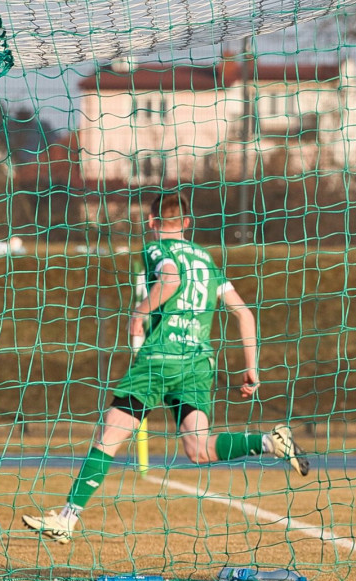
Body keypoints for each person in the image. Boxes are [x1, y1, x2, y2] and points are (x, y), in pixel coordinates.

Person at [23, 191, 309, 543]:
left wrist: (140, 313)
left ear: (151, 222)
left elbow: (170, 279)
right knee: (198, 448)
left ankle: (67, 518)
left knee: (109, 436)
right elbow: (244, 313)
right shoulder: (206, 259)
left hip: (161, 359)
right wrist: (252, 367)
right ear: (187, 223)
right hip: (198, 364)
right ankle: (269, 442)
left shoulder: (158, 249)